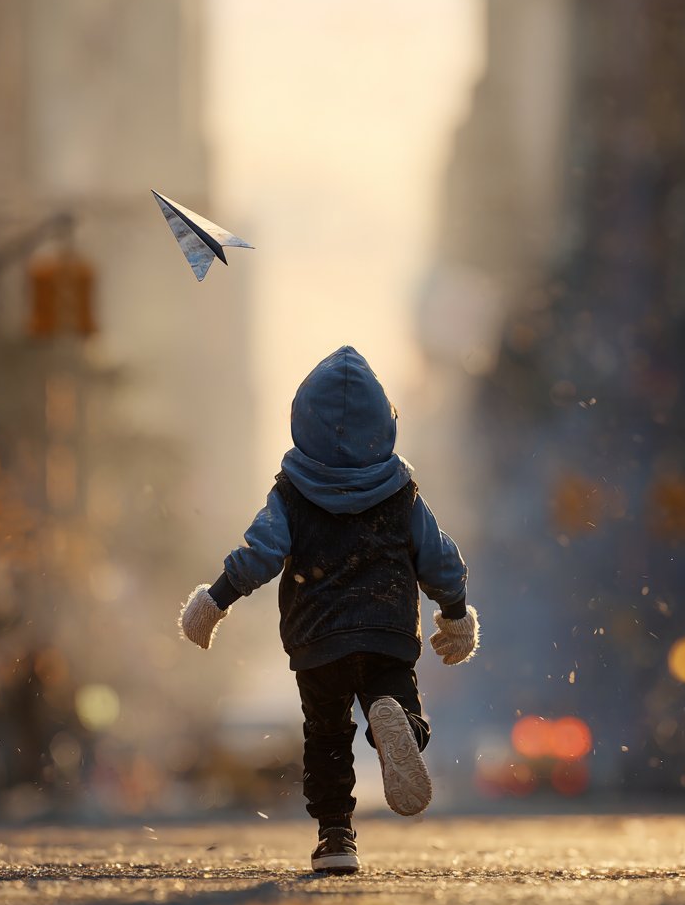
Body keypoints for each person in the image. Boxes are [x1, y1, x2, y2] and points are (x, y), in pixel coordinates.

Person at [178, 346, 479, 874]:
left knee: (327, 735)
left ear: (302, 421)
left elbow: (261, 553)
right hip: (386, 629)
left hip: (319, 638)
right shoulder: (401, 493)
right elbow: (439, 557)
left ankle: (336, 835)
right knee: (397, 700)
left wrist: (216, 599)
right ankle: (399, 727)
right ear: (384, 424)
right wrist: (454, 613)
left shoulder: (291, 493)